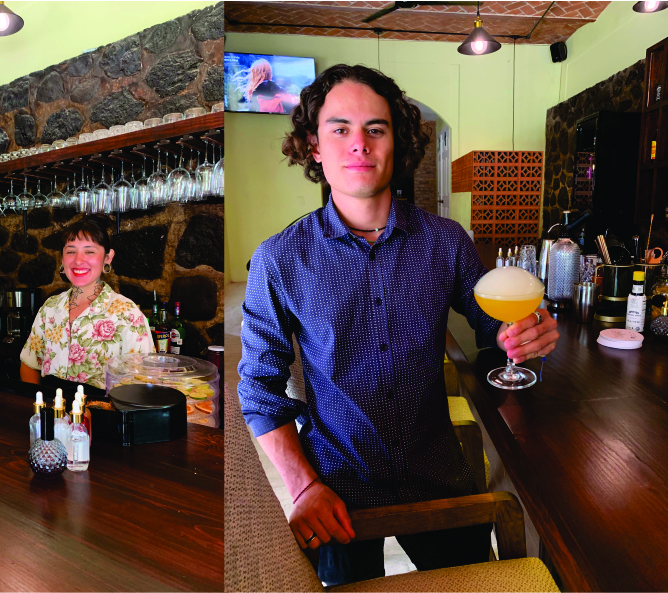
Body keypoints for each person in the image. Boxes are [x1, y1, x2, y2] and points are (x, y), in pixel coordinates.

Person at [237, 64, 561, 585]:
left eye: (376, 129)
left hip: (438, 471)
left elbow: (495, 333)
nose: (359, 144)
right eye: (339, 129)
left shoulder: (446, 241)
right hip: (335, 484)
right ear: (314, 147)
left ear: (398, 143)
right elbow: (258, 389)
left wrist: (527, 336)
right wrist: (301, 487)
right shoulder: (279, 260)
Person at [19, 218, 154, 390]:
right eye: (70, 251)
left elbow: (142, 384)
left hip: (102, 413)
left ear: (108, 257)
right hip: (51, 411)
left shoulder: (128, 315)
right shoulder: (50, 308)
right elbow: (30, 363)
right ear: (62, 258)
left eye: (89, 252)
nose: (78, 260)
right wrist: (38, 405)